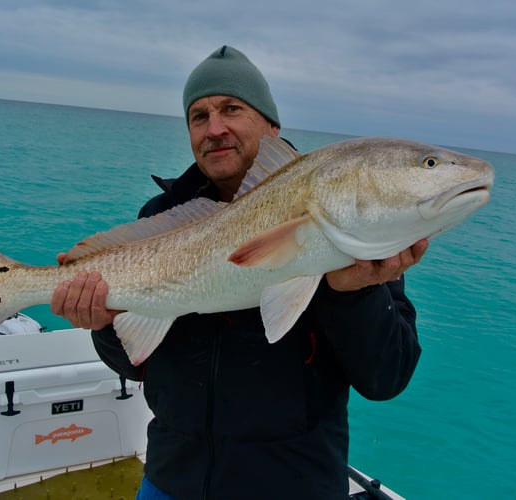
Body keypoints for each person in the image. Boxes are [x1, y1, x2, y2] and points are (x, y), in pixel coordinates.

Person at [51, 46, 428, 500]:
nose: (214, 128)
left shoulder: (349, 223)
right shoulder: (160, 217)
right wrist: (104, 324)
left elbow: (388, 377)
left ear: (271, 125)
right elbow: (134, 366)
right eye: (198, 116)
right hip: (171, 481)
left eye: (232, 108)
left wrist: (350, 294)